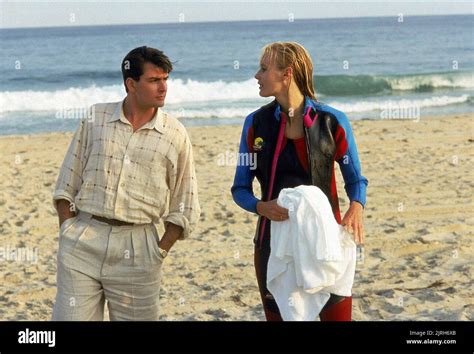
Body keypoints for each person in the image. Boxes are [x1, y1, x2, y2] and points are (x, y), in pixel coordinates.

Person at [52, 46, 200, 321]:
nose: (163, 87)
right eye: (154, 80)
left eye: (165, 79)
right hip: (82, 241)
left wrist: (159, 250)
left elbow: (185, 204)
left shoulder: (175, 134)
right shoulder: (96, 118)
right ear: (131, 84)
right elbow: (66, 183)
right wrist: (68, 228)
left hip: (139, 249)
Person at [231, 42, 368, 321]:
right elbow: (240, 188)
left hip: (326, 241)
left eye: (264, 68)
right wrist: (260, 207)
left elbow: (355, 179)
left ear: (287, 74)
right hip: (272, 242)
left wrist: (357, 206)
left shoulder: (332, 121)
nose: (257, 75)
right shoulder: (255, 124)